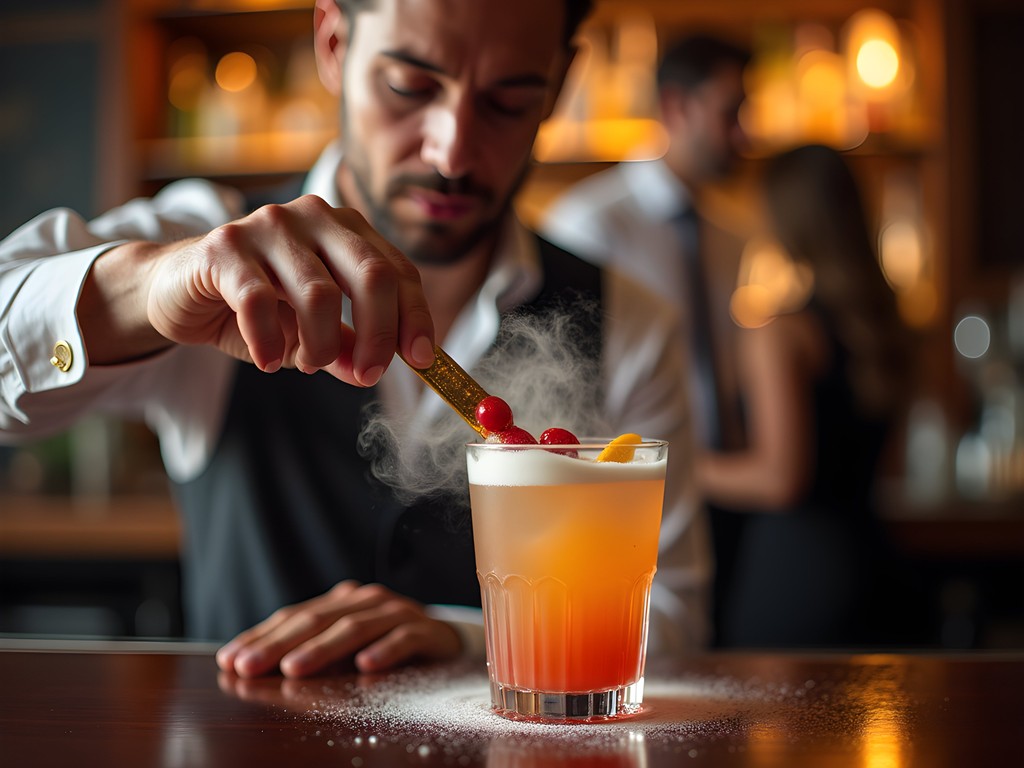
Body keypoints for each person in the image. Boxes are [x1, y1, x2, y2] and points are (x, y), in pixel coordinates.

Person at [0, 0, 710, 676]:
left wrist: (465, 635)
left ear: (560, 85)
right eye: (409, 85)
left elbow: (672, 616)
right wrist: (148, 288)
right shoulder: (207, 236)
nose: (452, 151)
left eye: (509, 100)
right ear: (333, 44)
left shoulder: (631, 320)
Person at [695, 144, 914, 647]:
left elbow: (779, 480)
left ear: (785, 219)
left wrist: (679, 466)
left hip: (795, 576)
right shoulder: (881, 325)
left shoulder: (781, 334)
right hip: (876, 566)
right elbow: (892, 463)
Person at [540, 33, 752, 451]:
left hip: (730, 475)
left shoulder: (729, 234)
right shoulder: (588, 222)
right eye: (731, 113)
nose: (744, 134)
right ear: (676, 107)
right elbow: (562, 380)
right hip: (628, 480)